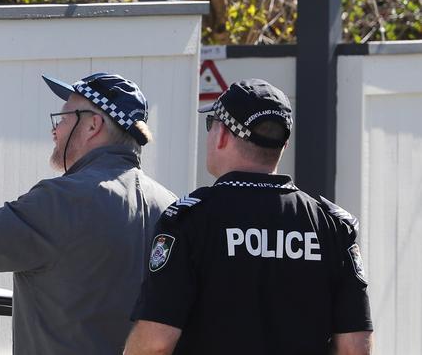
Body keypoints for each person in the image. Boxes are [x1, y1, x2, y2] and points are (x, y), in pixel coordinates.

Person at [0, 72, 177, 354]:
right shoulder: (171, 207)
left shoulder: (65, 200)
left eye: (64, 118)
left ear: (93, 124)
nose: (55, 131)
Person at [124, 79, 373, 355]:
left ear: (221, 135)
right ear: (284, 144)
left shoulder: (189, 222)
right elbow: (355, 348)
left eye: (211, 125)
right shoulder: (332, 226)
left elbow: (155, 344)